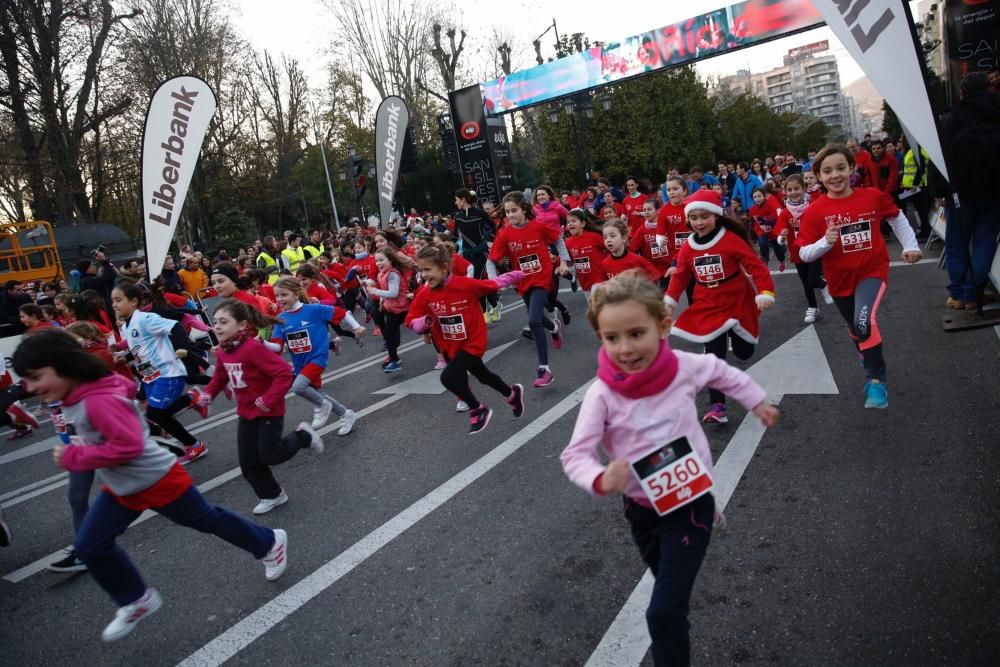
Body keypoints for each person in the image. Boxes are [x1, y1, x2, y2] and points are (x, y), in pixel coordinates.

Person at [560, 271, 778, 667]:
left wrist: (756, 401)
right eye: (612, 338)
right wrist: (598, 477)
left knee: (661, 613)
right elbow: (575, 454)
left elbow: (720, 370)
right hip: (641, 510)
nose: (625, 348)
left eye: (636, 333)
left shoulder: (682, 366)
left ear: (663, 327)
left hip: (690, 506)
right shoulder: (602, 394)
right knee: (668, 597)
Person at [14, 329, 289, 641]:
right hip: (123, 485)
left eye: (36, 377)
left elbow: (129, 445)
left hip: (156, 478)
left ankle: (269, 543)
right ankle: (136, 598)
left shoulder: (97, 401)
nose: (31, 388)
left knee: (208, 520)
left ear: (64, 365)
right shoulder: (73, 396)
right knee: (90, 545)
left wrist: (77, 455)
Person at [797, 144, 922, 409]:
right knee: (856, 328)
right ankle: (869, 357)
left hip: (872, 271)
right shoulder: (815, 211)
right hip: (840, 281)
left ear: (852, 168)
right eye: (827, 171)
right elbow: (804, 254)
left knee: (864, 321)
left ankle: (876, 381)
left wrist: (910, 246)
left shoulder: (872, 197)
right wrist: (825, 243)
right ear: (818, 176)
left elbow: (897, 218)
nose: (835, 175)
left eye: (841, 168)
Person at [197, 299, 324, 514]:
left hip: (268, 411)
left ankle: (303, 436)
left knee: (270, 455)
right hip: (246, 412)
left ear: (241, 325)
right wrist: (208, 394)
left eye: (224, 322)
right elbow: (219, 377)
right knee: (248, 463)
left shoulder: (252, 348)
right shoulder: (223, 351)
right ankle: (273, 495)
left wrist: (268, 399)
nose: (217, 326)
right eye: (215, 321)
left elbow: (283, 372)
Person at [665, 189, 775, 424]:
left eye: (704, 217)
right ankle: (718, 406)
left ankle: (736, 335)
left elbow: (755, 266)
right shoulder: (688, 247)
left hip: (737, 298)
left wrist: (765, 292)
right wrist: (670, 302)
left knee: (744, 352)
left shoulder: (730, 239)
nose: (699, 223)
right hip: (708, 302)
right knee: (713, 356)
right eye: (694, 218)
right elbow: (680, 276)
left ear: (716, 216)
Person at [406, 244, 526, 433]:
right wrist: (423, 323)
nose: (424, 275)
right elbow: (411, 319)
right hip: (450, 345)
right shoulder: (424, 293)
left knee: (447, 377)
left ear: (444, 268)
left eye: (428, 269)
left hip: (472, 342)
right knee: (483, 376)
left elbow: (493, 284)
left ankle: (477, 409)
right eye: (421, 270)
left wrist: (519, 274)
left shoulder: (464, 285)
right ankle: (512, 393)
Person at [110, 283, 209, 464]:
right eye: (112, 301)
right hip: (151, 377)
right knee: (154, 415)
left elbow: (176, 327)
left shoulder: (145, 318)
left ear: (133, 302)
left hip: (167, 373)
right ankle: (190, 400)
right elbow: (142, 347)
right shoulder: (128, 325)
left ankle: (194, 444)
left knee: (156, 415)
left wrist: (181, 347)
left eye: (118, 300)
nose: (114, 305)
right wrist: (127, 356)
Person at [487, 191, 571, 388]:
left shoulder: (538, 227)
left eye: (514, 210)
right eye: (507, 212)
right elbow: (491, 260)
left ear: (524, 209)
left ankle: (545, 369)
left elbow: (558, 239)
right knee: (538, 318)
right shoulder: (506, 233)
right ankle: (554, 327)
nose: (510, 215)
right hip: (523, 281)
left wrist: (564, 261)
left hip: (542, 277)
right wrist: (494, 281)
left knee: (533, 320)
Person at [270, 277, 362, 435]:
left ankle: (323, 406)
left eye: (284, 295)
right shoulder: (281, 320)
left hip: (317, 358)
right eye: (277, 296)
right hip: (300, 363)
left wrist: (357, 326)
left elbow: (341, 313)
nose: (279, 299)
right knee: (317, 394)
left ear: (296, 294)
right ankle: (345, 414)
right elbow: (277, 347)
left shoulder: (313, 310)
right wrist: (260, 344)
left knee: (299, 387)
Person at [940, 71, 1000, 311]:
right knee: (985, 241)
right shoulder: (997, 111)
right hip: (994, 191)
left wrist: (940, 188)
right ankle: (972, 293)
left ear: (963, 91)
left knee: (957, 242)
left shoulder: (954, 117)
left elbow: (941, 154)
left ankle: (958, 294)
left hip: (960, 192)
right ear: (990, 89)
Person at [776, 174, 832, 324]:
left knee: (812, 279)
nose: (793, 192)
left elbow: (823, 221)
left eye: (796, 188)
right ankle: (813, 307)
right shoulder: (785, 212)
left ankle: (823, 284)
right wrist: (782, 236)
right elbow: (779, 231)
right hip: (797, 251)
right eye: (789, 189)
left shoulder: (813, 205)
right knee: (805, 283)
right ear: (785, 192)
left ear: (804, 188)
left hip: (814, 248)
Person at [453, 188, 500, 321]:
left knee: (475, 282)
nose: (455, 202)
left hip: (481, 251)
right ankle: (496, 305)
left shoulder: (479, 213)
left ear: (463, 199)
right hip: (467, 254)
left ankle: (484, 313)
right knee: (479, 282)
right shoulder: (458, 216)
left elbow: (492, 227)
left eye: (456, 199)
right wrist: (447, 249)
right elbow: (454, 236)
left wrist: (490, 241)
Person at [364, 247, 413, 373]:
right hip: (392, 309)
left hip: (403, 308)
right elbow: (385, 292)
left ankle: (394, 360)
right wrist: (382, 300)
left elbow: (393, 293)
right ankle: (394, 359)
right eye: (377, 261)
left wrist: (374, 291)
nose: (378, 263)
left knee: (393, 333)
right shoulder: (382, 274)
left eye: (381, 260)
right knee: (391, 334)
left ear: (390, 260)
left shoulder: (392, 274)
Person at [600, 219, 660, 283]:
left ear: (624, 238)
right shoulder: (605, 264)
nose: (608, 240)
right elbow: (604, 285)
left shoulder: (637, 260)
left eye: (612, 236)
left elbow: (655, 276)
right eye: (605, 237)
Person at [564, 208, 608, 295]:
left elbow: (610, 248)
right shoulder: (568, 242)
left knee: (596, 305)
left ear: (583, 223)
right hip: (584, 281)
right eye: (568, 222)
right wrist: (557, 263)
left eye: (573, 221)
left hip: (599, 278)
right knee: (593, 306)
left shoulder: (594, 237)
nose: (570, 224)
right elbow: (566, 257)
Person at [749, 187, 786, 271]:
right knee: (763, 244)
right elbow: (751, 220)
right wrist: (751, 230)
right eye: (755, 197)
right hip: (761, 231)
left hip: (773, 230)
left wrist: (765, 221)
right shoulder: (752, 209)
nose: (757, 198)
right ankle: (765, 262)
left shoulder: (770, 205)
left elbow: (774, 219)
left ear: (764, 196)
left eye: (759, 196)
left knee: (778, 249)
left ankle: (782, 260)